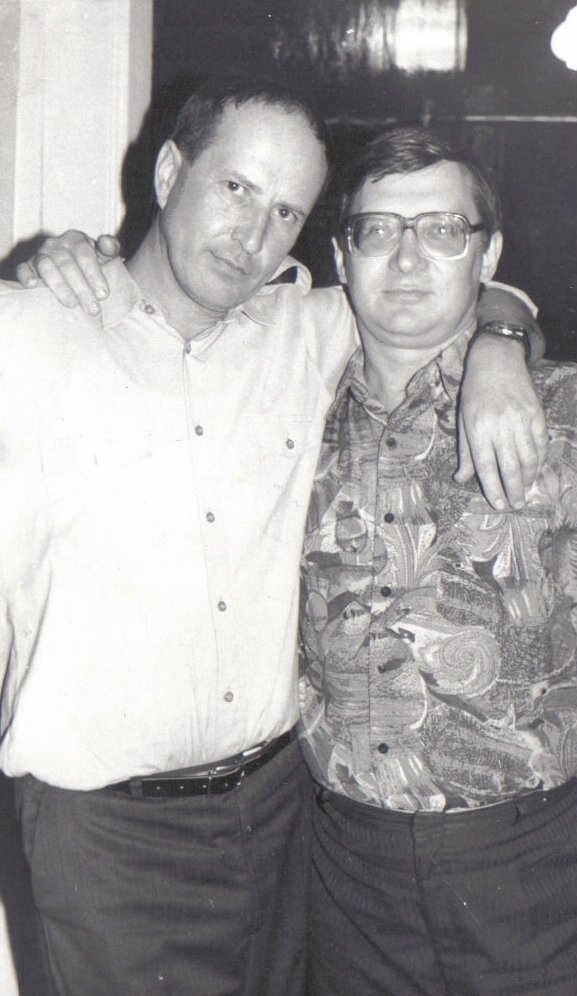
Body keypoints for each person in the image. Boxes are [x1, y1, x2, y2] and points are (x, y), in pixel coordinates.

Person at [4, 79, 542, 995]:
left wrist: (499, 342)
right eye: (237, 188)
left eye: (286, 211)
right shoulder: (23, 337)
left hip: (282, 813)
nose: (253, 235)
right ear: (169, 172)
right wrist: (50, 252)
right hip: (106, 838)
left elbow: (453, 287)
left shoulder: (309, 331)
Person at [298, 125, 577, 996]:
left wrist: (502, 336)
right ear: (342, 257)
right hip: (342, 873)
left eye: (443, 230)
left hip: (533, 868)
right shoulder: (287, 411)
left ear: (487, 255)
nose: (408, 258)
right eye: (378, 230)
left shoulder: (565, 416)